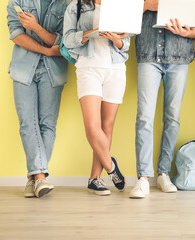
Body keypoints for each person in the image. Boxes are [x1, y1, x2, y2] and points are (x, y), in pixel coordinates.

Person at [129, 0, 195, 199]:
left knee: (172, 118)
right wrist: (145, 6)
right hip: (148, 55)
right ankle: (143, 178)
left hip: (179, 58)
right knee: (144, 117)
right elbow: (124, 15)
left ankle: (163, 174)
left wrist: (186, 33)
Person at [63, 0, 129, 195]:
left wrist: (116, 39)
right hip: (88, 67)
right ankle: (111, 168)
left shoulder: (120, 6)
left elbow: (124, 44)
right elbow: (67, 39)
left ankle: (95, 179)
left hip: (115, 69)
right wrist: (89, 34)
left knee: (106, 127)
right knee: (93, 127)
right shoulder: (76, 7)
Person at [7, 0, 70, 198]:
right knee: (27, 123)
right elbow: (16, 35)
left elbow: (62, 42)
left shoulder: (67, 4)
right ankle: (40, 177)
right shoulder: (17, 2)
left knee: (47, 125)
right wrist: (45, 50)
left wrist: (35, 27)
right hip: (23, 68)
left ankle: (33, 179)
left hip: (53, 72)